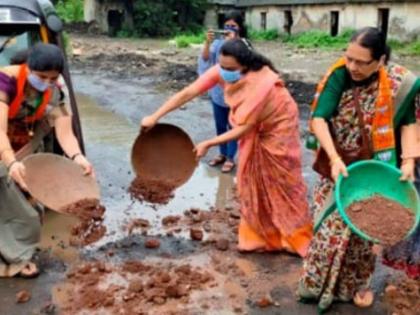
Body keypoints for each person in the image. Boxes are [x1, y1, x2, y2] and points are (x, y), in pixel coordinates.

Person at [142, 39, 313, 257]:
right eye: (222, 66)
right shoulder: (222, 71)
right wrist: (155, 116)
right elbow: (189, 92)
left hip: (278, 128)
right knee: (250, 180)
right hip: (252, 126)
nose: (224, 73)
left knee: (283, 183)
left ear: (246, 65)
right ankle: (261, 237)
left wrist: (209, 143)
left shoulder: (260, 86)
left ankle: (295, 238)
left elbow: (244, 128)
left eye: (231, 69)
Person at [297, 27, 420, 312]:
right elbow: (318, 120)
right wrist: (335, 157)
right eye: (348, 57)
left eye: (361, 62)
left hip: (373, 172)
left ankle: (353, 287)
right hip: (337, 169)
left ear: (380, 61)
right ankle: (316, 286)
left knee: (363, 239)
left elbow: (408, 122)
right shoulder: (339, 75)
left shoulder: (400, 83)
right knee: (327, 232)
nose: (351, 66)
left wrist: (409, 161)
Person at [0, 43, 94, 278]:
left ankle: (16, 250)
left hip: (25, 145)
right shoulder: (5, 81)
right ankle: (15, 261)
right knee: (22, 213)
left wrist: (78, 157)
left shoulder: (55, 91)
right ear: (28, 67)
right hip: (4, 147)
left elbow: (65, 133)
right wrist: (10, 163)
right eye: (42, 76)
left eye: (52, 78)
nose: (47, 82)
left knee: (34, 205)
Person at [198, 10, 249, 173]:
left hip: (237, 94)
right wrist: (207, 42)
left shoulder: (244, 45)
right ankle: (221, 153)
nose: (229, 28)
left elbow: (249, 65)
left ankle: (230, 158)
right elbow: (206, 59)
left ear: (240, 28)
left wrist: (234, 43)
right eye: (226, 25)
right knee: (220, 125)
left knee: (233, 126)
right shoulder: (218, 44)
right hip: (218, 93)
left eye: (233, 26)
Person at [382, 98, 420, 280]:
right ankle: (409, 271)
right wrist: (409, 157)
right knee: (409, 216)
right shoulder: (415, 89)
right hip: (413, 161)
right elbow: (409, 122)